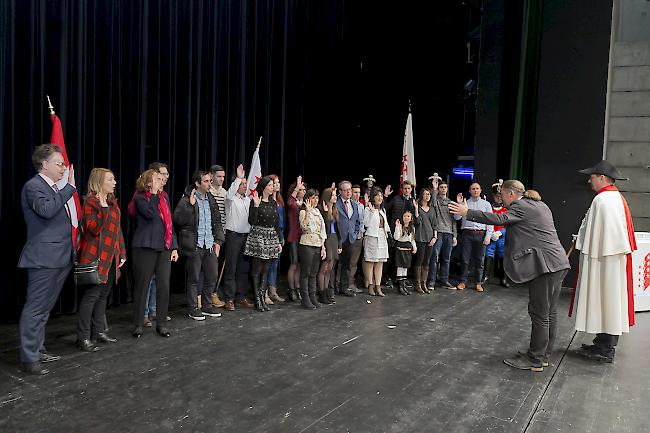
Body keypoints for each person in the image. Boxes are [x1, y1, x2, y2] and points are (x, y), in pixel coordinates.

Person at [449, 180, 570, 372]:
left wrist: (467, 213)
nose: (502, 199)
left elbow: (499, 219)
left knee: (539, 312)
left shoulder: (520, 206)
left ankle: (535, 359)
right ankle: (543, 354)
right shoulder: (540, 205)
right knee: (549, 312)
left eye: (503, 195)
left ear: (511, 194)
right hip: (558, 263)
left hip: (546, 267)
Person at [18, 144, 77, 375]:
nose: (64, 167)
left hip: (59, 257)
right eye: (59, 163)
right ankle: (29, 358)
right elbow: (46, 210)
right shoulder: (34, 186)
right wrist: (68, 188)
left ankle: (37, 348)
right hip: (44, 258)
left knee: (44, 308)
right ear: (44, 165)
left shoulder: (51, 187)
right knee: (35, 308)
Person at [571, 160, 637, 363]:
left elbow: (600, 233)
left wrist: (583, 241)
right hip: (609, 258)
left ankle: (605, 348)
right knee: (608, 301)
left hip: (606, 259)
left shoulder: (604, 200)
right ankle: (602, 343)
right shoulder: (612, 198)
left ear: (601, 178)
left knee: (607, 300)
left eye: (592, 177)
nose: (589, 180)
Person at [75, 168, 126, 352]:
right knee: (91, 297)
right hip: (95, 257)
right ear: (99, 182)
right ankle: (83, 337)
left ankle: (99, 331)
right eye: (111, 179)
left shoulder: (112, 203)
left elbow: (117, 230)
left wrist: (122, 252)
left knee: (103, 295)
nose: (114, 183)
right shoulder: (90, 203)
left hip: (111, 257)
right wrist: (103, 209)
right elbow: (93, 228)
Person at [131, 169, 178, 338]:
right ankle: (138, 324)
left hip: (164, 248)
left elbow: (169, 223)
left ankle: (162, 324)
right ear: (148, 182)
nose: (161, 181)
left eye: (162, 178)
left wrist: (174, 247)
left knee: (164, 286)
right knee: (143, 286)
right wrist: (153, 193)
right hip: (145, 248)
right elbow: (150, 214)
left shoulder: (164, 197)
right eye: (157, 179)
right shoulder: (141, 198)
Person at [173, 170, 225, 320]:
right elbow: (177, 220)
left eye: (210, 181)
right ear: (197, 183)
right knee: (194, 278)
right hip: (195, 245)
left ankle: (207, 306)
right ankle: (193, 307)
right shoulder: (187, 199)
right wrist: (190, 206)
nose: (209, 184)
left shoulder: (210, 199)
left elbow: (217, 221)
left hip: (209, 244)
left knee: (211, 277)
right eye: (206, 181)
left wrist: (218, 241)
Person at [245, 176, 283, 312]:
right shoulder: (256, 200)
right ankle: (257, 299)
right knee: (256, 269)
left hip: (270, 235)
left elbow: (276, 223)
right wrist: (255, 206)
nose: (272, 187)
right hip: (258, 236)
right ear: (264, 187)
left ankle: (262, 296)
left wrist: (278, 240)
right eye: (270, 185)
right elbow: (252, 220)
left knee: (266, 269)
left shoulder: (273, 202)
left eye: (273, 185)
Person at [222, 165, 255, 311]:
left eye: (244, 184)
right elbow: (229, 194)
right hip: (233, 236)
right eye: (241, 184)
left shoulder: (247, 200)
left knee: (243, 268)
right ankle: (229, 298)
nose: (244, 186)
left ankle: (240, 296)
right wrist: (238, 178)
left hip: (246, 236)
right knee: (231, 268)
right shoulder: (230, 199)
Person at [453, 182, 493, 292]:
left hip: (481, 235)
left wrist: (488, 236)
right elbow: (456, 218)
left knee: (480, 261)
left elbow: (490, 221)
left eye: (477, 188)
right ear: (470, 191)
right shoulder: (465, 203)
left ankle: (478, 283)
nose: (475, 190)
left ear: (480, 190)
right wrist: (459, 204)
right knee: (465, 260)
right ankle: (463, 281)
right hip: (467, 234)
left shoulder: (486, 204)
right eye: (473, 189)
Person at [298, 189, 327, 309]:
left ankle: (312, 297)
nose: (315, 200)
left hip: (317, 244)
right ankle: (305, 299)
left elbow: (322, 230)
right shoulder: (304, 212)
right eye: (313, 198)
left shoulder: (318, 212)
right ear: (308, 199)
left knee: (313, 273)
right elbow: (304, 227)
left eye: (316, 197)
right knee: (306, 272)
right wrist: (308, 212)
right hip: (307, 244)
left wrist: (323, 247)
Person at [427, 179, 457, 290]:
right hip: (438, 232)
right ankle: (431, 281)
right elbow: (433, 204)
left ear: (447, 189)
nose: (443, 189)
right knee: (434, 258)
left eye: (445, 187)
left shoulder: (450, 202)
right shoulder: (436, 200)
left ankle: (444, 280)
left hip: (449, 233)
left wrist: (455, 235)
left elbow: (454, 220)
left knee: (446, 258)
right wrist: (434, 190)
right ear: (438, 189)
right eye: (441, 187)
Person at [362, 187, 391, 297]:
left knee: (380, 262)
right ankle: (370, 285)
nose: (379, 198)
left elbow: (386, 225)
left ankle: (378, 286)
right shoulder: (368, 209)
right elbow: (366, 223)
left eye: (381, 196)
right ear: (372, 198)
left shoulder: (382, 210)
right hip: (372, 237)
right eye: (377, 195)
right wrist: (371, 211)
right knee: (370, 262)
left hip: (382, 237)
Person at [335, 180, 361, 297]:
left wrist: (354, 234)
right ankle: (332, 287)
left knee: (346, 264)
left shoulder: (354, 205)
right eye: (346, 190)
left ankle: (344, 287)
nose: (349, 192)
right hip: (337, 238)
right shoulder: (336, 203)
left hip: (350, 238)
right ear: (340, 192)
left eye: (349, 190)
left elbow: (357, 222)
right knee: (333, 264)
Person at [208, 164, 228, 308]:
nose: (221, 179)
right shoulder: (208, 191)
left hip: (221, 234)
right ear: (212, 175)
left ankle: (214, 293)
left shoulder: (225, 193)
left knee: (217, 266)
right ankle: (204, 295)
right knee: (207, 267)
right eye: (219, 176)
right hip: (209, 233)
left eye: (223, 177)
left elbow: (225, 214)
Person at [285, 177, 307, 302]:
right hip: (294, 236)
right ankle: (291, 289)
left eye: (304, 189)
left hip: (303, 237)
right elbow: (289, 202)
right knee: (293, 264)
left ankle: (298, 288)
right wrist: (297, 186)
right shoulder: (293, 203)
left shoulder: (305, 204)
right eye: (301, 189)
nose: (303, 191)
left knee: (299, 265)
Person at [484, 180, 509, 287]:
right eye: (496, 196)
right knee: (488, 255)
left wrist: (500, 232)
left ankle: (503, 278)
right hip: (490, 235)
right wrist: (490, 233)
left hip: (502, 237)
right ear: (493, 196)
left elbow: (509, 224)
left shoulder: (507, 209)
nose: (498, 198)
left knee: (502, 257)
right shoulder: (489, 208)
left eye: (500, 196)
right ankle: (485, 276)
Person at [319, 186, 342, 304]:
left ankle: (327, 292)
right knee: (324, 267)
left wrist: (339, 244)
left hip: (334, 239)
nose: (335, 197)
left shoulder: (335, 209)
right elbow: (325, 228)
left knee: (330, 268)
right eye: (333, 195)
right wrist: (325, 211)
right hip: (327, 239)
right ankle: (321, 293)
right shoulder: (322, 210)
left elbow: (337, 229)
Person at [266, 174, 286, 304]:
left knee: (275, 264)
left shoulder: (279, 200)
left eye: (278, 182)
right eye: (275, 183)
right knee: (266, 264)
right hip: (269, 233)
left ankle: (273, 291)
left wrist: (281, 236)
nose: (277, 185)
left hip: (280, 232)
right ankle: (265, 293)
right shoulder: (267, 200)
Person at [414, 188, 437, 294]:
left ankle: (424, 283)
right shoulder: (418, 207)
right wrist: (415, 210)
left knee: (427, 262)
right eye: (426, 194)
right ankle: (417, 284)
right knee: (420, 260)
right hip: (420, 237)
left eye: (429, 194)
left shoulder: (432, 209)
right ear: (421, 196)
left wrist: (435, 237)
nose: (428, 196)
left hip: (430, 238)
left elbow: (435, 224)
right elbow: (417, 222)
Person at [393, 211, 417, 295]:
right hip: (400, 247)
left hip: (407, 248)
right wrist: (397, 227)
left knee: (405, 266)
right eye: (405, 216)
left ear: (411, 219)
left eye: (408, 216)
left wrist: (414, 247)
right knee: (400, 266)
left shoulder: (412, 228)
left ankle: (404, 285)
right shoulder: (400, 226)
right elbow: (396, 237)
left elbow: (412, 239)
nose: (406, 218)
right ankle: (400, 286)